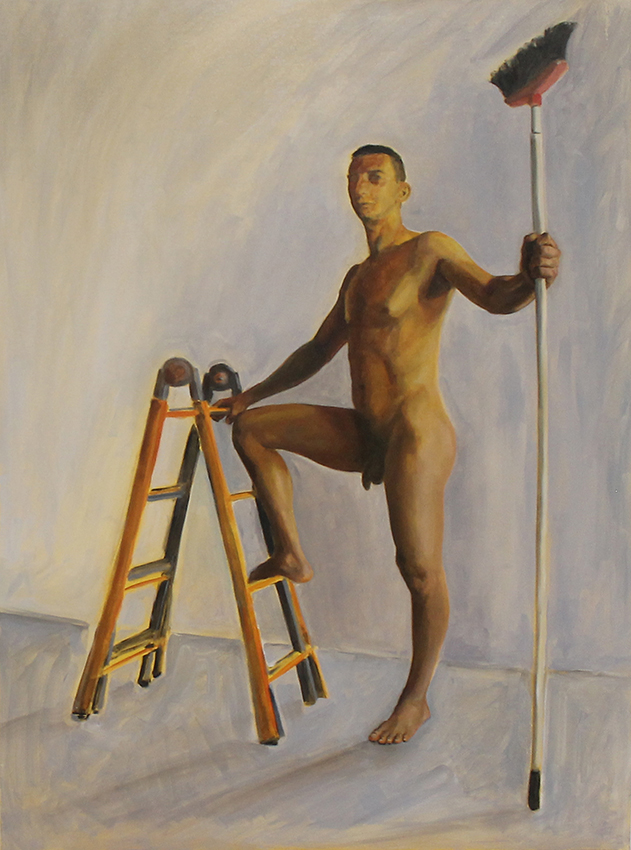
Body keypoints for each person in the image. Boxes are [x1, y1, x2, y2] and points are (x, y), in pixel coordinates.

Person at [216, 144, 560, 744]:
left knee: (419, 570)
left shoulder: (430, 250)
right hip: (366, 427)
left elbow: (496, 295)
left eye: (374, 178)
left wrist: (532, 274)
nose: (361, 188)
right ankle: (293, 554)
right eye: (354, 178)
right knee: (253, 428)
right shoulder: (356, 279)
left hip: (415, 429)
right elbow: (317, 350)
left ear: (402, 190)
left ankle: (416, 699)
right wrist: (255, 394)